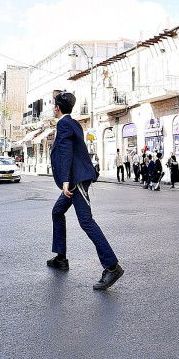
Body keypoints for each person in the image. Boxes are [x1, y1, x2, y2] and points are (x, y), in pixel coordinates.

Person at [46, 92, 124, 290]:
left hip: (75, 180)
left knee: (86, 221)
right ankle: (61, 257)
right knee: (57, 212)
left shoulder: (64, 124)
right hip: (73, 180)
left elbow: (65, 152)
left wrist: (65, 180)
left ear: (57, 108)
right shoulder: (73, 123)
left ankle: (112, 266)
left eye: (54, 106)